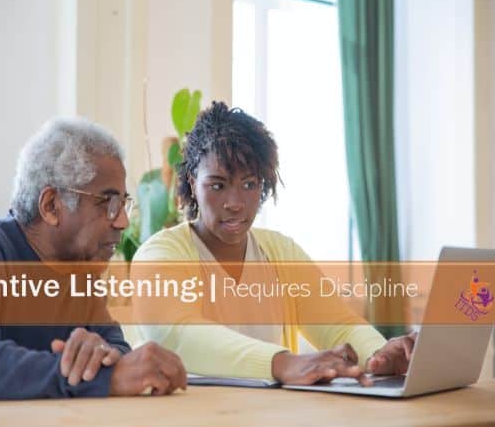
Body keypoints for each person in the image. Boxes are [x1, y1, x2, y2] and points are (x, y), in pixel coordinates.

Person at [132, 102, 415, 385]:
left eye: (249, 184)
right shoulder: (160, 255)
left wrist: (379, 355)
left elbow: (336, 323)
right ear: (193, 183)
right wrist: (282, 363)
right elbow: (179, 334)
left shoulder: (280, 251)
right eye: (217, 185)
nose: (235, 203)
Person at [0, 118, 186, 399]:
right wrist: (95, 377)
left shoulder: (81, 271)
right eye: (108, 203)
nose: (123, 221)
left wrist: (102, 357)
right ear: (51, 206)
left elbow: (115, 350)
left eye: (123, 204)